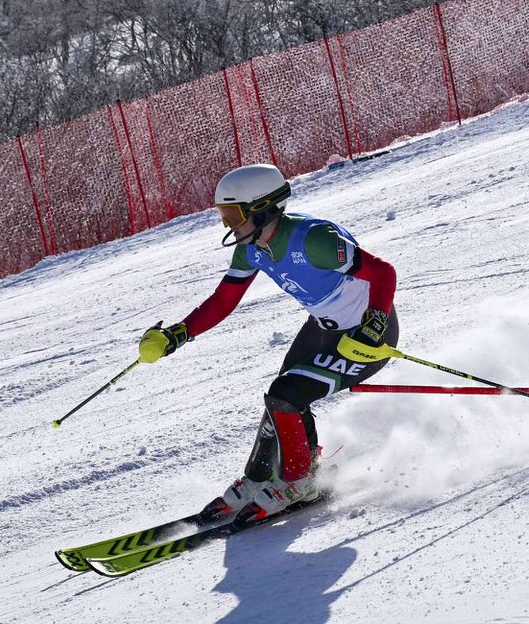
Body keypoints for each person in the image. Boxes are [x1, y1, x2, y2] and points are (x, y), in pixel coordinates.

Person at [137, 163, 399, 526]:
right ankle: (259, 477)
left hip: (367, 335)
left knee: (287, 393)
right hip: (323, 327)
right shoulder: (251, 248)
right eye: (224, 216)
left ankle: (300, 481)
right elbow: (224, 300)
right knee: (280, 402)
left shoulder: (313, 240)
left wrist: (375, 322)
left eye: (234, 215)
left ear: (262, 208)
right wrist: (179, 333)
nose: (228, 224)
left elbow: (383, 272)